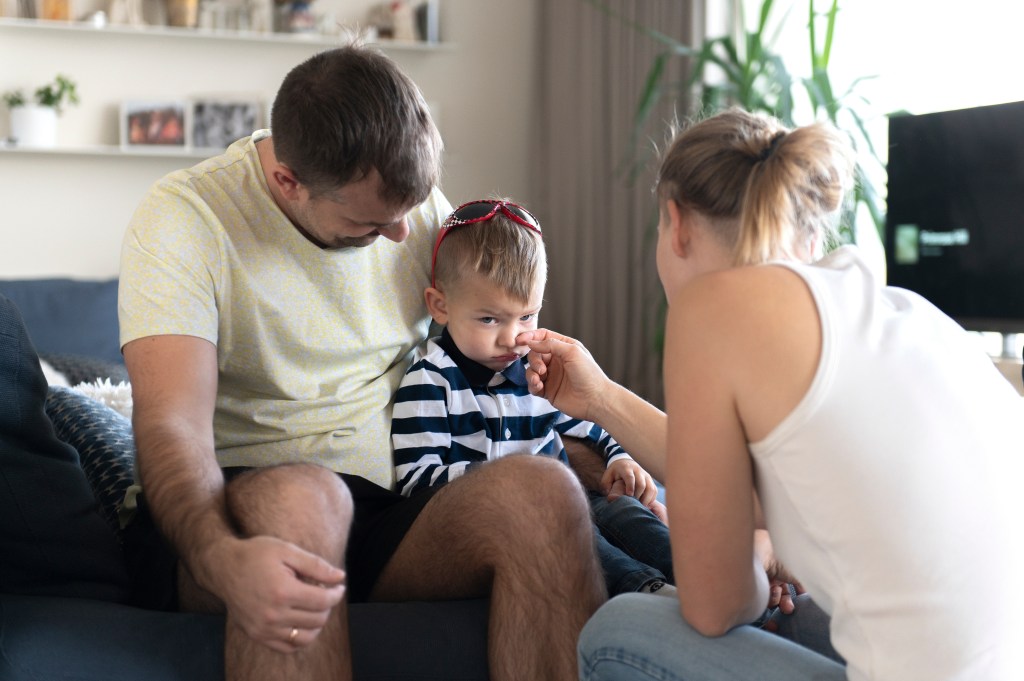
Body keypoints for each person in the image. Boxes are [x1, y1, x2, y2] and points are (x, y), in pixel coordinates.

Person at [118, 45, 606, 681]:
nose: (405, 235)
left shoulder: (411, 211)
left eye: (411, 208)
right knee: (307, 498)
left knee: (545, 492)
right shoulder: (187, 220)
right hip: (243, 508)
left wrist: (603, 449)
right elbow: (170, 426)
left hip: (391, 511)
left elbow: (486, 370)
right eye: (371, 223)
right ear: (289, 183)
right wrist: (216, 555)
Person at [522, 108, 1024, 680]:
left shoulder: (712, 307)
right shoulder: (898, 311)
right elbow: (781, 484)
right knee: (796, 617)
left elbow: (715, 608)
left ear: (676, 222)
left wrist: (753, 561)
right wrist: (601, 397)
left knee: (616, 631)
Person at [391, 198, 675, 596]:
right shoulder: (431, 379)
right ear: (440, 306)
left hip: (573, 500)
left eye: (526, 316)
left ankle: (710, 580)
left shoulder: (536, 369)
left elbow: (590, 424)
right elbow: (418, 482)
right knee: (572, 533)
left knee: (626, 512)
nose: (512, 337)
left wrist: (619, 457)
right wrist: (509, 481)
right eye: (489, 319)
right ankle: (651, 593)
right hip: (515, 523)